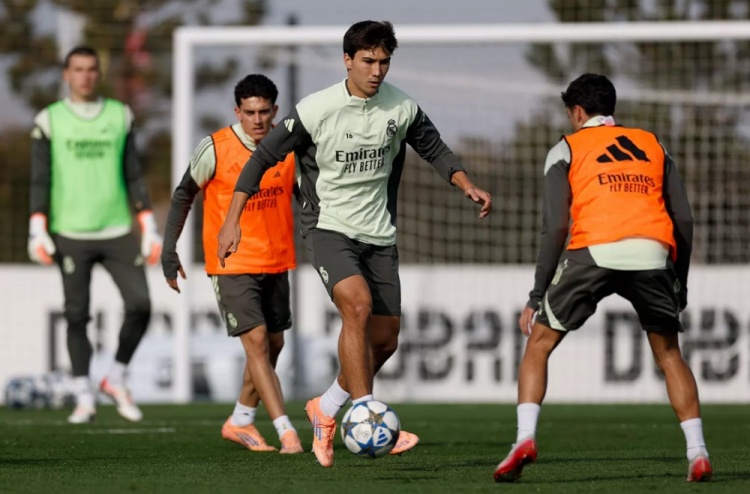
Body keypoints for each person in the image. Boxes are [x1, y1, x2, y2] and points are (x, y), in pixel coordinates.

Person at [217, 20, 492, 468]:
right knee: (358, 307)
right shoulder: (316, 109)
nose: (377, 70)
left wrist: (466, 183)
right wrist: (232, 221)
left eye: (384, 61)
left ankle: (325, 408)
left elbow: (435, 148)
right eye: (368, 61)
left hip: (379, 234)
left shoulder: (401, 106)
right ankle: (367, 414)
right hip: (328, 228)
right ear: (347, 60)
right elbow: (263, 158)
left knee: (384, 342)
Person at [493, 73, 711, 483]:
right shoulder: (653, 144)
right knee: (669, 355)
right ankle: (698, 452)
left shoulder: (566, 148)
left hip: (594, 250)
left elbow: (556, 228)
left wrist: (536, 295)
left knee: (538, 344)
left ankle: (524, 439)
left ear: (577, 112)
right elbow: (683, 217)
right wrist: (679, 281)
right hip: (652, 251)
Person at [161, 74, 303, 454]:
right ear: (237, 112)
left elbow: (306, 196)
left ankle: (240, 420)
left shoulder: (289, 148)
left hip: (276, 260)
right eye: (249, 113)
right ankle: (287, 432)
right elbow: (183, 195)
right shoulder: (215, 148)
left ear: (275, 111)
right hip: (231, 263)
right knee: (256, 343)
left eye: (264, 112)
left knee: (273, 344)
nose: (257, 120)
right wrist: (169, 250)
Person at [28, 45, 162, 424]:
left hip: (117, 228)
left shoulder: (120, 115)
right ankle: (83, 393)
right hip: (69, 230)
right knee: (76, 315)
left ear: (98, 74)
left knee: (140, 304)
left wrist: (148, 225)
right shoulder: (49, 119)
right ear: (66, 74)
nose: (85, 76)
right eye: (78, 69)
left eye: (91, 69)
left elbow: (133, 173)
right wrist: (37, 226)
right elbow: (40, 177)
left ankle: (115, 377)